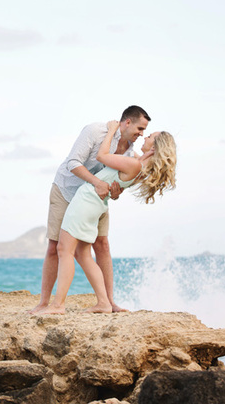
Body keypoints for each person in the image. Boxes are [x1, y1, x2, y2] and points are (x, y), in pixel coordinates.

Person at [36, 121, 177, 314]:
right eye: (143, 131)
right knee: (82, 254)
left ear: (154, 147)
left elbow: (101, 156)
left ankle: (58, 305)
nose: (145, 136)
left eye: (149, 136)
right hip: (94, 205)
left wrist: (111, 130)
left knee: (65, 250)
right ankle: (103, 302)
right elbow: (117, 180)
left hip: (85, 202)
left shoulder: (134, 162)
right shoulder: (141, 165)